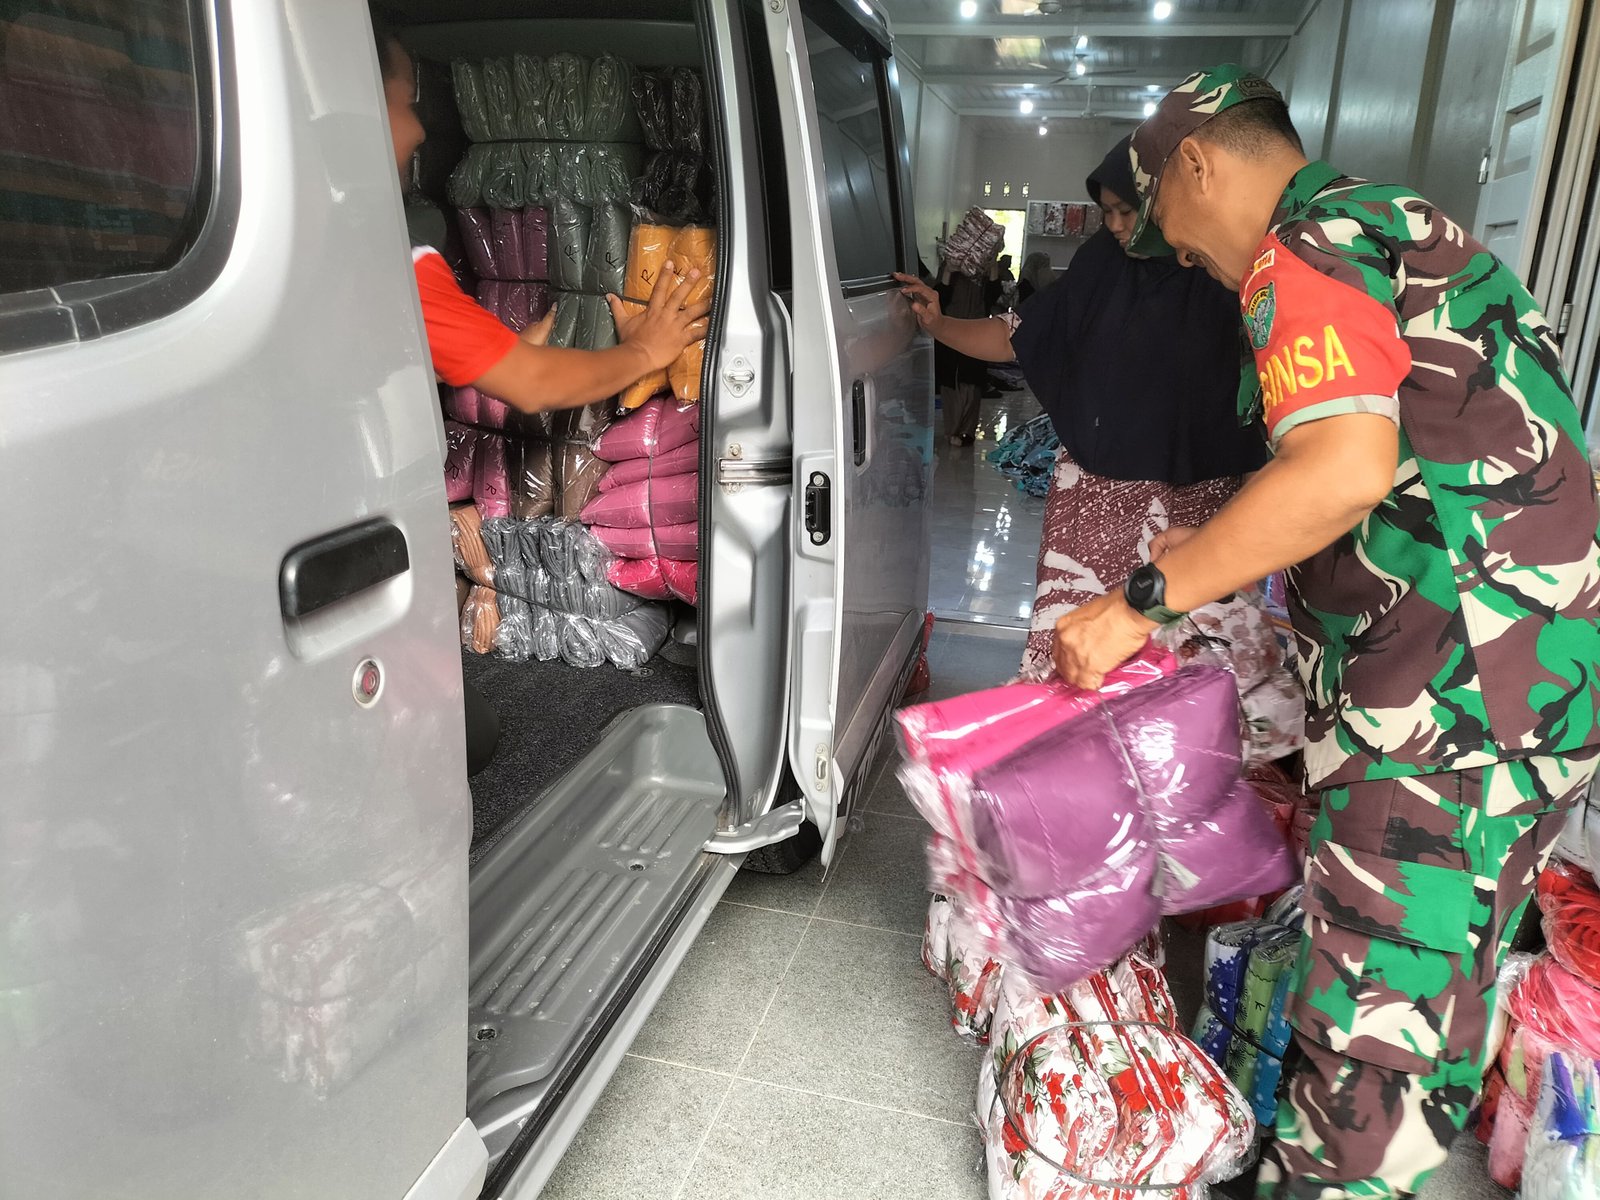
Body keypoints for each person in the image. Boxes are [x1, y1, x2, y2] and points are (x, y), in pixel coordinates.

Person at [1055, 65, 1600, 1200]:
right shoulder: (1401, 226)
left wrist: (1139, 602)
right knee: (1429, 1015)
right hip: (1526, 689)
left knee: (1364, 1054)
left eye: (1169, 226)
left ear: (1196, 163)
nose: (1184, 259)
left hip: (1444, 702)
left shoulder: (1303, 247)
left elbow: (1340, 468)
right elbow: (1398, 460)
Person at [372, 11, 708, 773]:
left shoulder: (336, 245)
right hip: (357, 532)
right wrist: (644, 351)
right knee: (457, 743)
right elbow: (527, 387)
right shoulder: (393, 259)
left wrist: (510, 348)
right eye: (402, 103)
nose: (419, 129)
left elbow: (426, 365)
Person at [895, 136, 1266, 675]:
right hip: (1094, 498)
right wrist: (939, 323)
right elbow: (1018, 336)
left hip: (1197, 501)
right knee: (1075, 653)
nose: (1114, 225)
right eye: (1105, 212)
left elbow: (1262, 403)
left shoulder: (1224, 274)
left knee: (1179, 667)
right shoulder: (1100, 265)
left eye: (1126, 211)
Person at [933, 251, 1001, 446]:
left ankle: (966, 432)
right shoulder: (950, 269)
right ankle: (952, 430)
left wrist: (992, 267)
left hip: (976, 331)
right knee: (951, 386)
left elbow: (993, 295)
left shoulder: (982, 272)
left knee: (972, 384)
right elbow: (939, 299)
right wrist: (948, 271)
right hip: (949, 331)